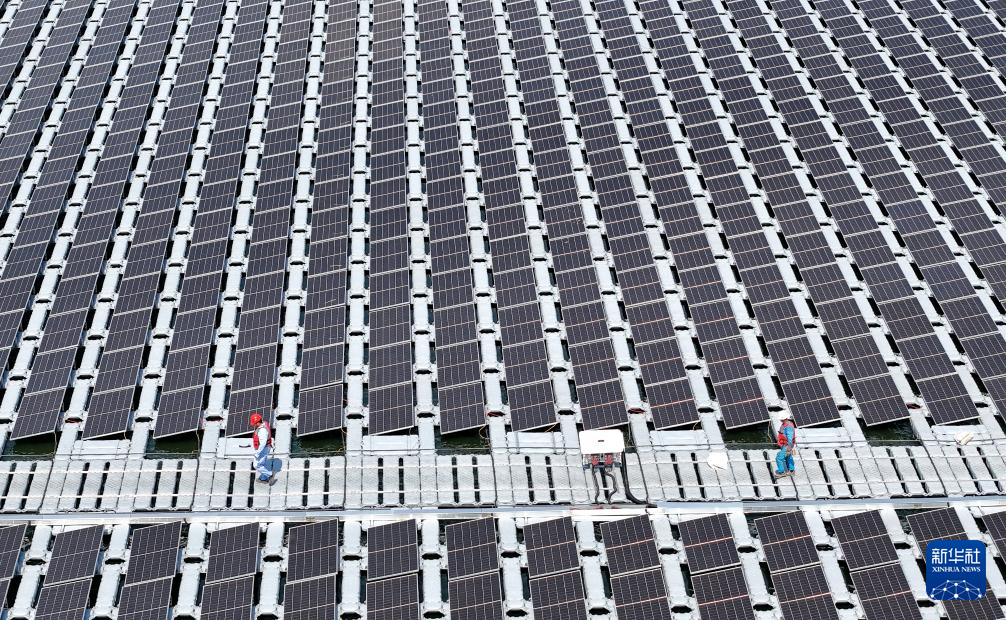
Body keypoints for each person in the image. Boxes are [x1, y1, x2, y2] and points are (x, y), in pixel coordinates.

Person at [250, 412, 273, 483]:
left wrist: (257, 453)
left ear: (257, 423)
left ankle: (269, 475)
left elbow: (263, 443)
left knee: (257, 465)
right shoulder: (264, 424)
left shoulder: (262, 430)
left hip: (263, 449)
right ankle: (264, 478)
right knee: (262, 463)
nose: (254, 425)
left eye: (254, 424)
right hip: (266, 447)